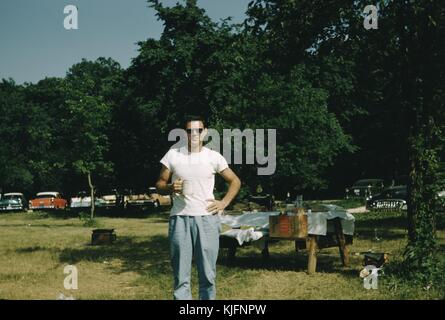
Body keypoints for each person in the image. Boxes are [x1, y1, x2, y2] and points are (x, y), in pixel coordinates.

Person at [156, 115, 241, 300]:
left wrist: (224, 202)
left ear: (205, 132)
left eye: (198, 130)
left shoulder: (213, 157)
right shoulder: (173, 155)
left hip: (207, 219)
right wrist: (170, 187)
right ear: (184, 133)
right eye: (189, 131)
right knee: (180, 276)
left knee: (208, 275)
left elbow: (235, 181)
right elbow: (160, 184)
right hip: (180, 218)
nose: (194, 134)